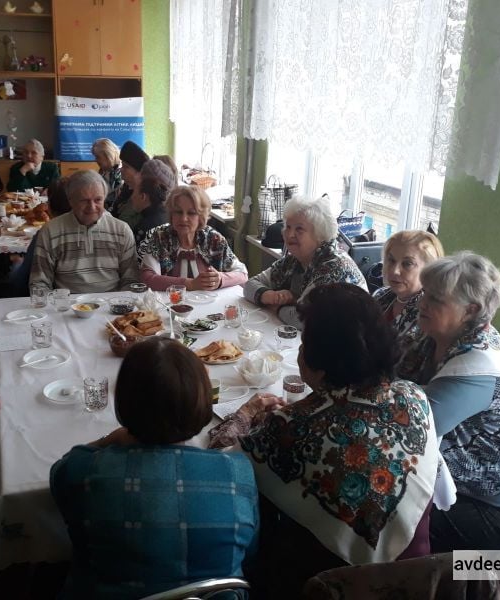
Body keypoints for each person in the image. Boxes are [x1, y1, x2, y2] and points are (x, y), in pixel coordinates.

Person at [209, 283, 438, 598]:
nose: (301, 351)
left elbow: (221, 461)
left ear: (320, 358)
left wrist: (247, 412)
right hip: (422, 577)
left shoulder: (291, 426)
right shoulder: (413, 395)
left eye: (304, 343)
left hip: (330, 586)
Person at [51, 337, 258, 599]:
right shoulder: (238, 474)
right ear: (201, 402)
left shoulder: (83, 470)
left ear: (124, 402)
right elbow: (248, 553)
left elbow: (60, 475)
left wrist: (111, 439)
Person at [397, 252, 500, 551]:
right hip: (460, 479)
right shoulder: (435, 337)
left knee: (395, 519)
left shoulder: (479, 367)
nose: (422, 302)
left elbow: (409, 427)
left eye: (436, 299)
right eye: (425, 292)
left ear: (470, 310)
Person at [243, 196, 367, 328]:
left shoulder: (334, 266)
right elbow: (249, 285)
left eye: (299, 229)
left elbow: (303, 319)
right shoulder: (294, 260)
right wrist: (267, 295)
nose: (289, 234)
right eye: (288, 227)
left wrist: (277, 307)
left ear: (319, 234)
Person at [29, 170, 139, 293]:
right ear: (71, 201)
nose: (91, 207)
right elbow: (39, 283)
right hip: (65, 307)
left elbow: (130, 281)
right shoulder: (50, 231)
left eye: (98, 200)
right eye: (84, 200)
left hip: (112, 306)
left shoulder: (122, 231)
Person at [137, 185, 247, 291]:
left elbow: (243, 274)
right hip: (169, 305)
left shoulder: (213, 239)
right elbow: (147, 278)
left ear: (201, 216)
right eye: (178, 212)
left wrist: (220, 279)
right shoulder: (161, 238)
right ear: (171, 214)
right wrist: (190, 284)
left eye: (191, 213)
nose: (184, 218)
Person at [8, 176, 72, 297]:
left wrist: (19, 264)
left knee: (16, 267)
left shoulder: (46, 233)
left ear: (50, 207)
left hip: (47, 297)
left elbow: (21, 280)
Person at [373, 230, 444, 337]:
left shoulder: (429, 312)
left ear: (429, 269)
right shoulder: (380, 295)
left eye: (407, 264)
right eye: (391, 260)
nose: (394, 271)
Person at [130, 158, 175, 245]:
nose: (131, 197)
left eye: (133, 191)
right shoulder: (169, 215)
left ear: (143, 196)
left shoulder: (143, 229)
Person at [109, 140, 148, 229]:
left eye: (126, 167)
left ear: (139, 172)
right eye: (122, 165)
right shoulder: (126, 189)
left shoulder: (143, 196)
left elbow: (125, 225)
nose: (121, 170)